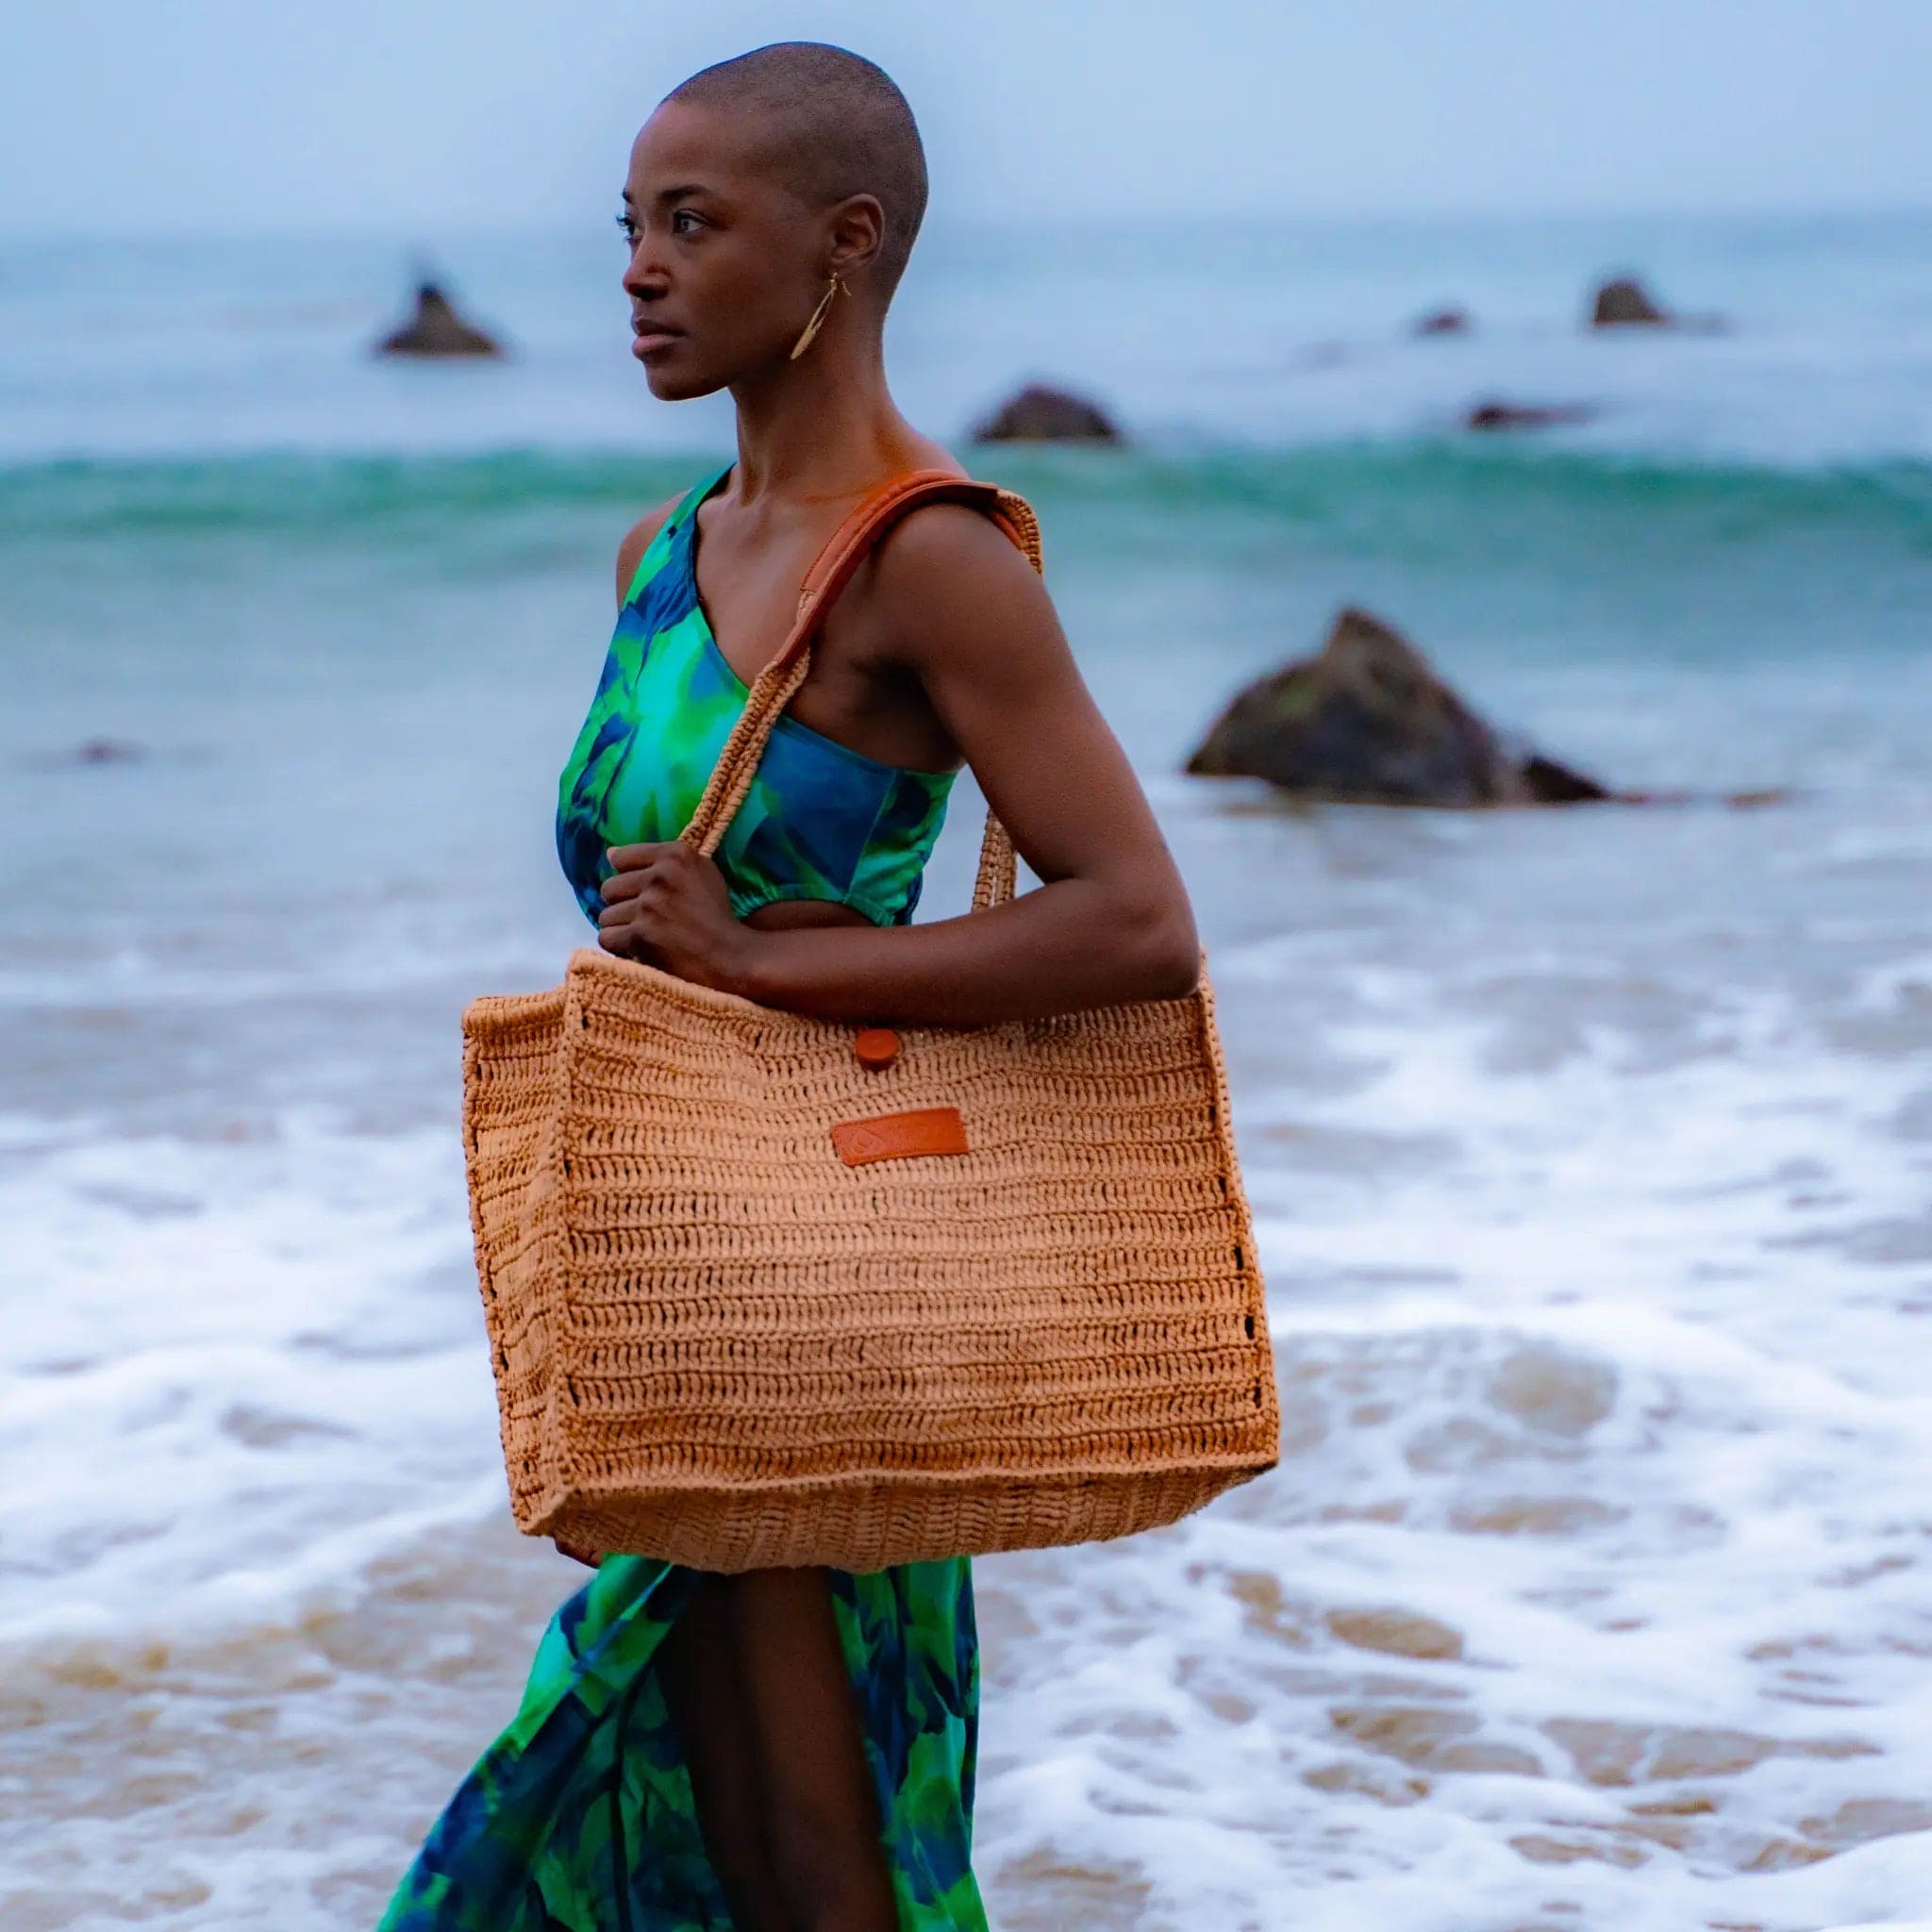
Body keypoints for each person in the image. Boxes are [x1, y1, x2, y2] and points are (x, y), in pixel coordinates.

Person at [379, 40, 1198, 1932]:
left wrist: (762, 958)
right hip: (690, 1280)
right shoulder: (663, 556)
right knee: (671, 1821)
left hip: (833, 1282)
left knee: (816, 1860)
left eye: (694, 224)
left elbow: (1136, 920)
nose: (640, 271)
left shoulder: (928, 561)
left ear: (842, 246)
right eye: (631, 228)